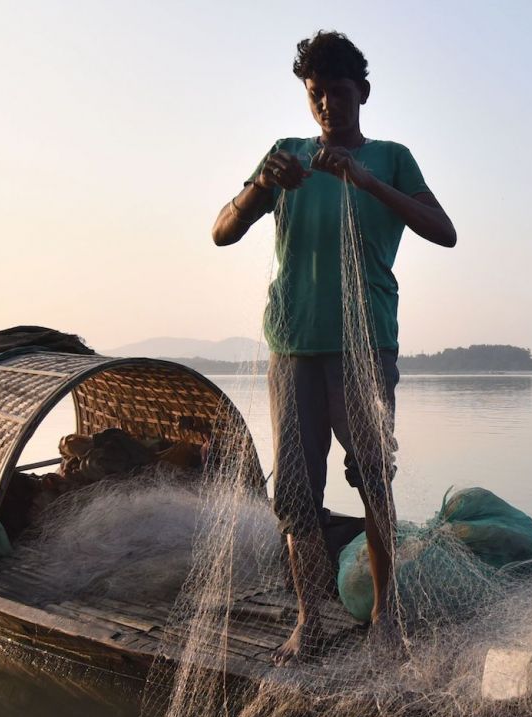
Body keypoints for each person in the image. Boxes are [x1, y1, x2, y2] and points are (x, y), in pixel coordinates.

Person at [212, 30, 457, 658]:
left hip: (366, 345)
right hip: (292, 346)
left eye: (338, 94)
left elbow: (443, 231)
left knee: (374, 480)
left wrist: (366, 181)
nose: (326, 106)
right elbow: (222, 231)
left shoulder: (391, 158)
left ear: (363, 94)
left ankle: (386, 620)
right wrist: (259, 188)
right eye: (315, 94)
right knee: (296, 493)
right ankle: (307, 621)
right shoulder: (286, 156)